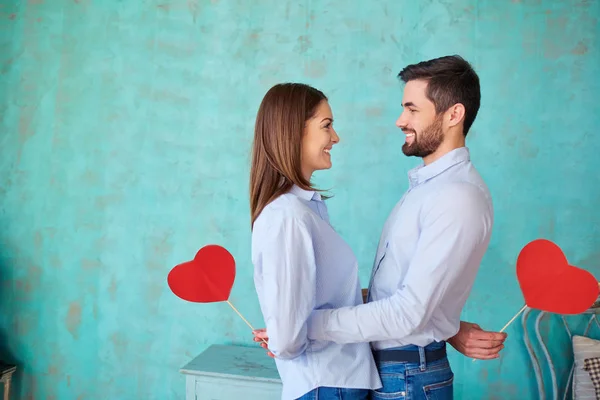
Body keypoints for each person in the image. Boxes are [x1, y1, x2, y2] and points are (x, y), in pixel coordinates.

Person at [252, 55, 507, 400]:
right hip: (391, 370)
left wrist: (299, 326)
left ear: (453, 115)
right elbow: (405, 294)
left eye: (412, 109)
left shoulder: (457, 197)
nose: (400, 120)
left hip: (406, 373)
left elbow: (408, 311)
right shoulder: (427, 190)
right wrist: (448, 326)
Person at [249, 83, 381, 400]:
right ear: (294, 131)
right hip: (326, 384)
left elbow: (310, 305)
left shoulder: (305, 210)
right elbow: (289, 340)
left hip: (335, 382)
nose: (335, 138)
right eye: (327, 126)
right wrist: (283, 338)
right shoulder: (288, 216)